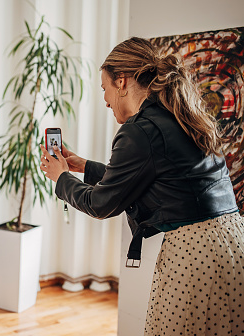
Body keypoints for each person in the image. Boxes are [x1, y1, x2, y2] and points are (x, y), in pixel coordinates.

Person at [39, 37, 244, 335]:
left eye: (104, 89)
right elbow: (149, 175)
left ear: (121, 82)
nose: (105, 100)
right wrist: (84, 167)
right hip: (232, 243)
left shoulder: (138, 131)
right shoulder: (181, 116)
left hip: (195, 258)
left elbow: (101, 203)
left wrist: (60, 178)